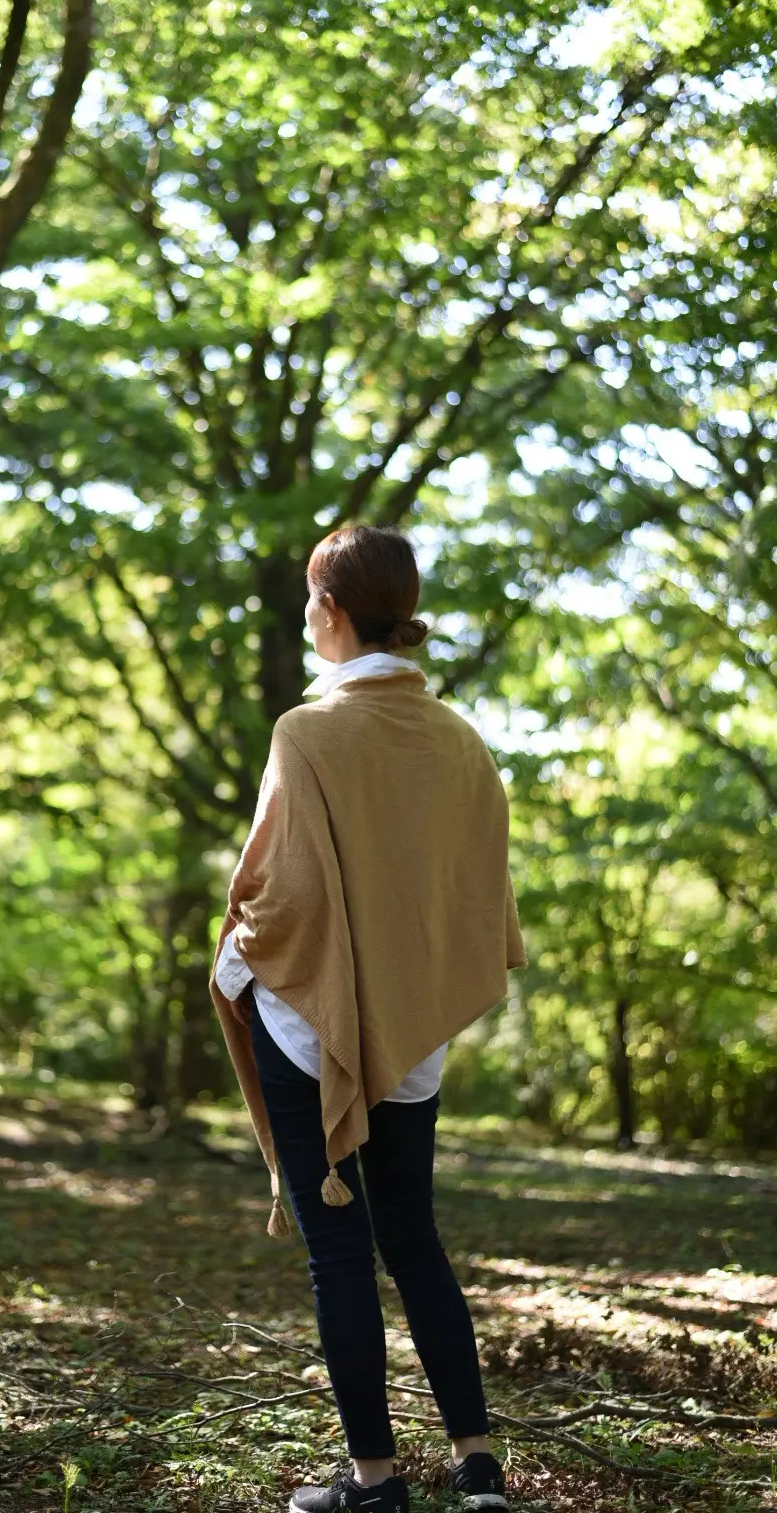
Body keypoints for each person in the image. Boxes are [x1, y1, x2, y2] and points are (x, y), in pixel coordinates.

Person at [210, 525, 526, 1513]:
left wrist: (236, 962)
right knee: (416, 1238)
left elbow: (282, 890)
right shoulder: (462, 743)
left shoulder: (306, 733)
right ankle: (477, 1471)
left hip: (314, 1024)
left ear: (335, 611)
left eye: (312, 599)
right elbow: (476, 894)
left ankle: (373, 1482)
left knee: (338, 1251)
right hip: (415, 1027)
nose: (307, 616)